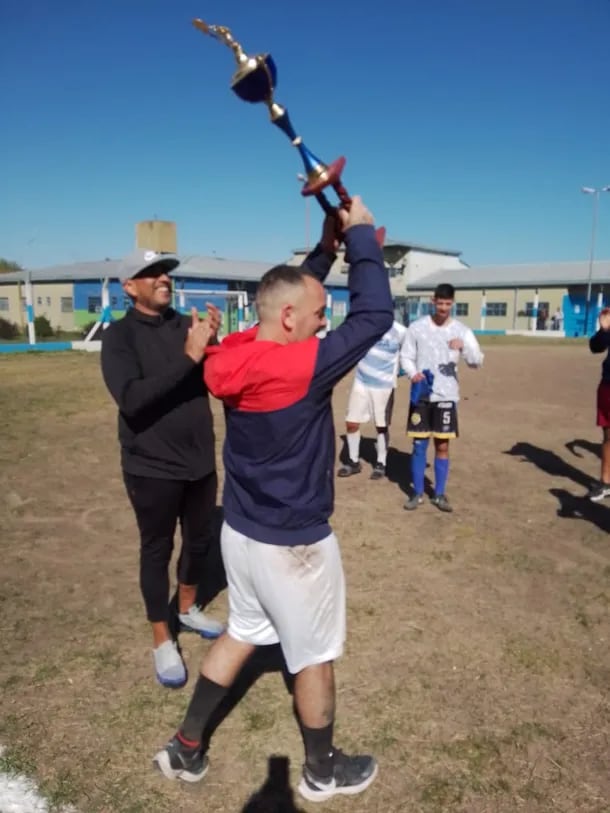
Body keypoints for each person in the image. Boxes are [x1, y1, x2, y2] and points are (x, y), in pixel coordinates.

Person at [152, 198, 393, 804]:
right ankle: (322, 770)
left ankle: (185, 747)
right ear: (290, 318)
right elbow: (374, 316)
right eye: (317, 313)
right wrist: (361, 234)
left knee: (243, 632)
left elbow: (280, 292)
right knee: (313, 654)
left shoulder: (231, 350)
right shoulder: (300, 366)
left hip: (243, 530)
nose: (324, 321)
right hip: (294, 543)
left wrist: (327, 245)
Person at [101, 248, 224, 689]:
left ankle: (187, 608)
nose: (162, 278)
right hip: (151, 466)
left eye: (166, 272)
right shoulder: (119, 338)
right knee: (157, 549)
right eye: (150, 273)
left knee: (200, 539)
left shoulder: (184, 326)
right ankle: (161, 637)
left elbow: (213, 377)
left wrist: (214, 344)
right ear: (129, 287)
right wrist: (189, 358)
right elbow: (131, 399)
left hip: (199, 459)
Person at [401, 283, 484, 512]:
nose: (444, 308)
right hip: (422, 396)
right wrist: (413, 373)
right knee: (419, 446)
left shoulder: (461, 330)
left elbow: (477, 361)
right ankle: (417, 492)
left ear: (453, 303)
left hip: (447, 396)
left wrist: (464, 347)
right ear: (433, 300)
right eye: (440, 303)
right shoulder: (416, 328)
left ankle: (439, 494)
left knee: (442, 446)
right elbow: (406, 356)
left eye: (448, 304)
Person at [338, 320, 408, 480]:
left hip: (384, 385)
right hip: (361, 381)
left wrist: (401, 370)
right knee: (351, 423)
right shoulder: (365, 326)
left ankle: (381, 463)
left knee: (381, 426)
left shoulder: (401, 331)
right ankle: (353, 461)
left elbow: (410, 351)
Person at [587, 307, 610, 501]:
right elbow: (595, 347)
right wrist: (603, 330)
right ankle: (605, 482)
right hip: (608, 384)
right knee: (608, 434)